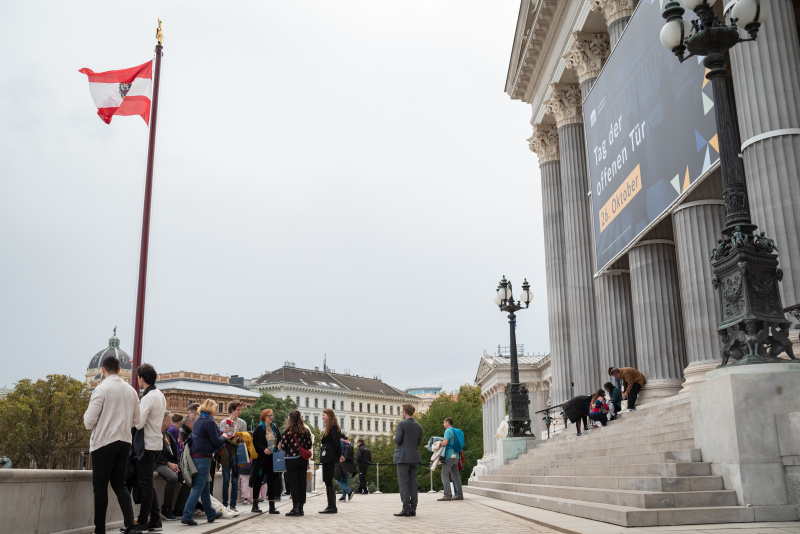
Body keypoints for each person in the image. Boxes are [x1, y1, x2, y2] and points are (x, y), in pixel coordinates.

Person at [83, 355, 141, 534]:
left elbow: (88, 421)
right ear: (118, 369)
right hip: (124, 442)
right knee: (119, 484)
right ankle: (130, 524)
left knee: (100, 489)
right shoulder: (131, 391)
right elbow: (137, 420)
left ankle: (99, 530)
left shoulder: (101, 389)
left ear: (103, 370)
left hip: (104, 442)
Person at [133, 363, 167, 532]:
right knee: (149, 483)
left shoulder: (147, 397)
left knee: (145, 483)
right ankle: (155, 519)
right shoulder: (160, 395)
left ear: (142, 379)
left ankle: (142, 521)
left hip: (146, 445)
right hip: (156, 443)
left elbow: (138, 424)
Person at [181, 399, 225, 526]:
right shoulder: (209, 422)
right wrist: (225, 437)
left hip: (196, 456)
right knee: (198, 488)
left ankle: (210, 514)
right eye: (215, 409)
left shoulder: (198, 421)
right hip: (204, 457)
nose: (216, 411)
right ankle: (187, 515)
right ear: (211, 409)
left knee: (205, 488)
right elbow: (216, 441)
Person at [155, 412, 190, 521]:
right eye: (169, 419)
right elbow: (155, 454)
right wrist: (168, 464)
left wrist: (176, 465)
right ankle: (166, 509)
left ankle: (179, 509)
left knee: (187, 480)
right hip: (158, 463)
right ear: (162, 421)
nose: (171, 422)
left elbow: (174, 454)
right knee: (172, 478)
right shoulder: (155, 434)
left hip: (169, 463)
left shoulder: (168, 435)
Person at [278, 410, 312, 517]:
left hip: (291, 460)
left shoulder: (287, 431)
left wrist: (280, 446)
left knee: (294, 483)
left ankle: (295, 507)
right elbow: (309, 445)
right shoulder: (305, 431)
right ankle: (301, 507)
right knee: (302, 483)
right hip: (302, 460)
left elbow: (284, 447)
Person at [393, 404, 423, 517]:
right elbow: (418, 443)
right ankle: (413, 508)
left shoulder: (402, 424)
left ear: (404, 412)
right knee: (413, 483)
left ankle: (406, 507)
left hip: (402, 457)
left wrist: (394, 438)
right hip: (414, 457)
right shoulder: (418, 426)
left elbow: (398, 440)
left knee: (403, 483)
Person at [250, 408, 282, 515]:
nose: (271, 417)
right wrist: (264, 449)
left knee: (271, 481)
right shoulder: (259, 428)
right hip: (261, 459)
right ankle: (255, 504)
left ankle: (272, 506)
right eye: (269, 416)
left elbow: (279, 438)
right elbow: (255, 442)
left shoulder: (275, 427)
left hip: (272, 458)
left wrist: (279, 445)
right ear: (264, 417)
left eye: (272, 415)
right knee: (258, 480)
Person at [218, 401, 247, 512]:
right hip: (226, 451)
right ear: (232, 410)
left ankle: (233, 505)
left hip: (237, 451)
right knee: (225, 480)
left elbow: (245, 437)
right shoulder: (224, 422)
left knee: (235, 480)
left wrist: (240, 436)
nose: (239, 411)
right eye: (238, 409)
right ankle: (225, 504)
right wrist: (224, 433)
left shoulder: (242, 423)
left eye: (240, 409)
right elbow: (221, 436)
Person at [318, 408, 343, 514]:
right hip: (328, 457)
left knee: (328, 480)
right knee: (328, 480)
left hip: (330, 457)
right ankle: (331, 506)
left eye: (324, 415)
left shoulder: (333, 427)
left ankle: (331, 506)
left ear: (328, 415)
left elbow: (337, 443)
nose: (322, 417)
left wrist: (339, 455)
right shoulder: (330, 427)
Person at [438, 417, 463, 501]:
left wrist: (437, 445)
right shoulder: (456, 431)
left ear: (447, 422)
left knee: (444, 474)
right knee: (456, 476)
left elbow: (445, 442)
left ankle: (447, 495)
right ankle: (459, 494)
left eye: (444, 422)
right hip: (456, 456)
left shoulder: (448, 431)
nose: (443, 424)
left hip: (449, 456)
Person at [335, 435, 356, 502]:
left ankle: (349, 492)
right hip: (349, 463)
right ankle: (343, 497)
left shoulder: (340, 442)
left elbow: (339, 452)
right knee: (345, 481)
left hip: (342, 463)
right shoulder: (349, 442)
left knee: (338, 479)